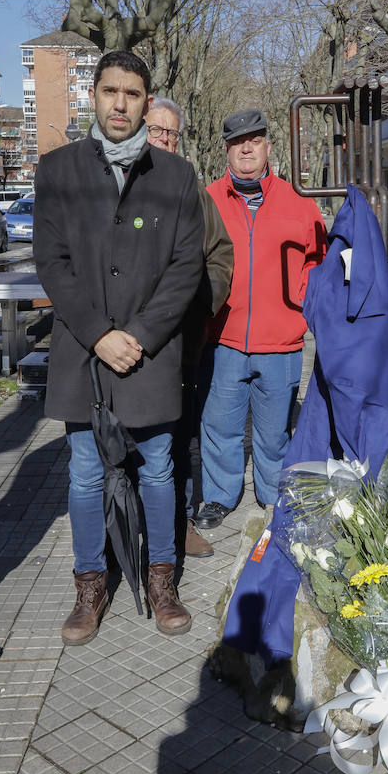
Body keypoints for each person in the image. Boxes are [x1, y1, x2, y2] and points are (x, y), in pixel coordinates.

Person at [34, 52, 206, 645]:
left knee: (160, 469)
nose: (120, 104)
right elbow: (51, 263)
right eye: (110, 91)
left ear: (147, 99)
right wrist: (100, 335)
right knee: (84, 475)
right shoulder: (58, 171)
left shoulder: (178, 177)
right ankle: (91, 586)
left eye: (132, 94)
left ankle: (162, 581)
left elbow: (187, 269)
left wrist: (139, 335)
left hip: (151, 355)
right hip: (84, 352)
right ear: (94, 95)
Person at [194, 109, 327, 531]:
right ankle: (219, 496)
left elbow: (317, 266)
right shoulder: (206, 199)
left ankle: (273, 496)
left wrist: (305, 313)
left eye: (254, 139)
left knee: (274, 435)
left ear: (269, 145)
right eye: (237, 142)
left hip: (281, 342)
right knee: (219, 427)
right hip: (222, 340)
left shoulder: (299, 202)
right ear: (227, 151)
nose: (246, 148)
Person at [146, 96, 233, 558]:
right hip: (128, 344)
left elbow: (220, 252)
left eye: (171, 133)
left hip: (183, 343)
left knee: (184, 437)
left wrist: (203, 301)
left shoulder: (192, 190)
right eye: (156, 131)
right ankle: (132, 527)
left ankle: (180, 525)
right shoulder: (117, 184)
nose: (163, 140)